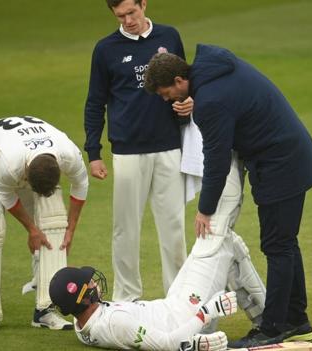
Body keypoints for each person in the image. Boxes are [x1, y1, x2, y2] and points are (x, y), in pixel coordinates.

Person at [144, 44, 312, 347]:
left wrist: (204, 210)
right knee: (285, 243)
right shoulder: (213, 69)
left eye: (165, 93)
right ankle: (297, 320)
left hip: (281, 164)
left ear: (179, 81)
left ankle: (272, 329)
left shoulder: (211, 102)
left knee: (277, 246)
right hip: (289, 155)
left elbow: (215, 163)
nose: (167, 99)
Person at [48, 148, 268, 351]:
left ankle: (267, 319)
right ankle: (229, 150)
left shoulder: (82, 325)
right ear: (84, 299)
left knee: (227, 243)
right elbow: (167, 344)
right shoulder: (115, 324)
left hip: (173, 304)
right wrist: (209, 311)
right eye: (89, 284)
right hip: (187, 315)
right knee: (217, 232)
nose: (95, 282)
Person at [84, 0, 194, 302]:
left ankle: (178, 297)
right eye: (121, 16)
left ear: (144, 4)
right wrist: (93, 152)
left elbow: (185, 84)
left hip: (170, 146)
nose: (128, 20)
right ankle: (126, 298)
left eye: (132, 12)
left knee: (173, 226)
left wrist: (187, 106)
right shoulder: (105, 49)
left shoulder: (169, 36)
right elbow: (95, 102)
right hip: (128, 151)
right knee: (125, 229)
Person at [0, 116, 88, 330]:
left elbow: (80, 185)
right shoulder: (9, 166)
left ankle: (45, 309)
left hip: (28, 154)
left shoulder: (68, 153)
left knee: (54, 223)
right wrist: (31, 229)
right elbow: (5, 193)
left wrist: (70, 230)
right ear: (26, 177)